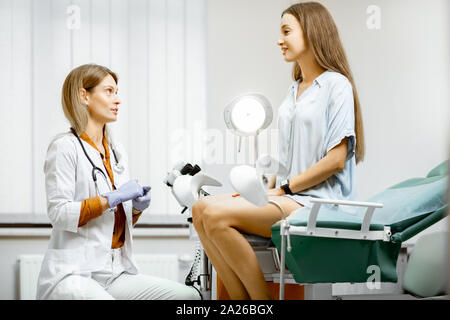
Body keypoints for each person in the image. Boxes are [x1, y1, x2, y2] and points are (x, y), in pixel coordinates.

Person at [192, 2, 365, 300]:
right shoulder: (294, 89)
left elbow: (336, 160)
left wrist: (283, 190)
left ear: (312, 33)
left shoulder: (336, 86)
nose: (278, 39)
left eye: (286, 31)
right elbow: (285, 159)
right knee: (200, 209)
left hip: (319, 203)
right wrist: (264, 190)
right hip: (291, 196)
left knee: (217, 216)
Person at [36, 64, 200, 300]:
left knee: (188, 297)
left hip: (114, 270)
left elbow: (113, 219)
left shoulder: (115, 151)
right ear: (84, 96)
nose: (118, 99)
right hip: (75, 273)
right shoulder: (64, 147)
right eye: (109, 91)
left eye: (117, 92)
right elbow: (59, 213)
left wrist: (135, 209)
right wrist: (111, 198)